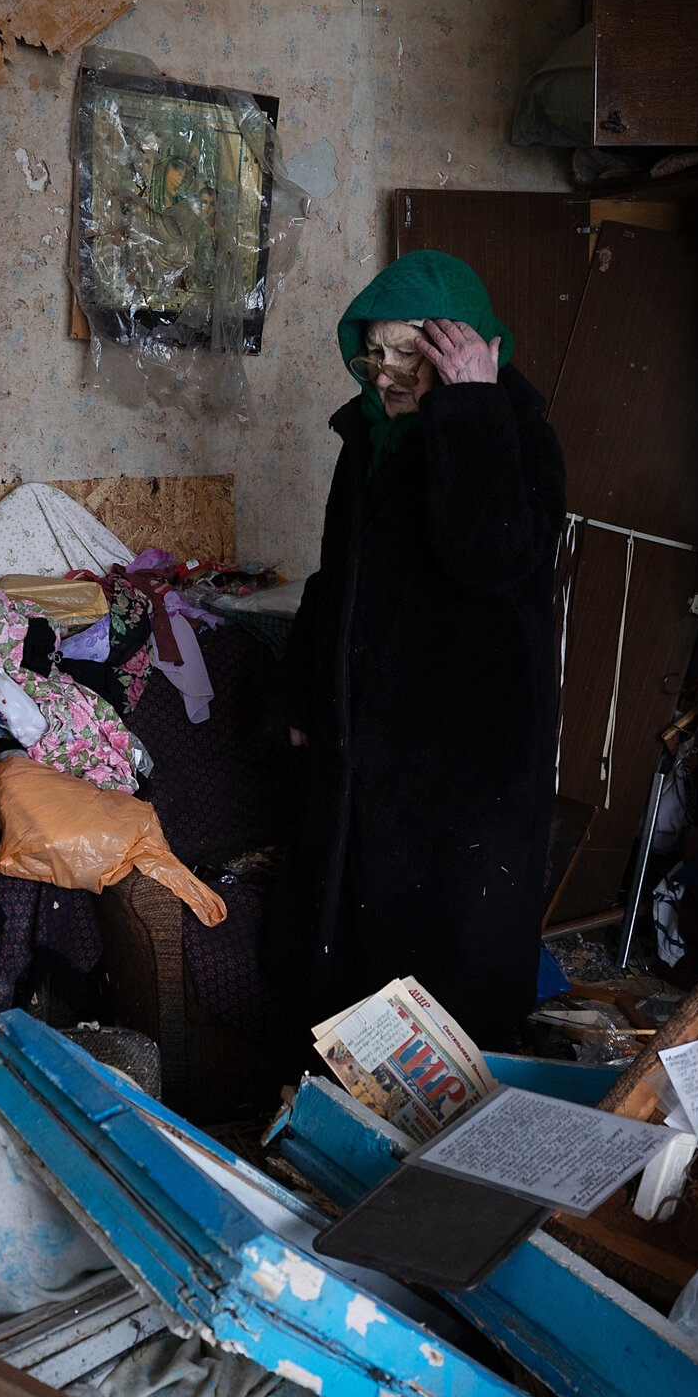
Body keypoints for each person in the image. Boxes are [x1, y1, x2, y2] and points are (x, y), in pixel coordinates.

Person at [273, 251, 566, 1052]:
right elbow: (337, 577)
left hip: (466, 758)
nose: (386, 375)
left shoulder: (518, 435)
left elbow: (489, 558)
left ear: (468, 349)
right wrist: (302, 693)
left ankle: (459, 1118)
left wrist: (471, 406)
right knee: (352, 954)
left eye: (411, 354)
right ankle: (345, 1115)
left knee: (452, 963)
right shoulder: (369, 439)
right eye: (375, 354)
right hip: (370, 746)